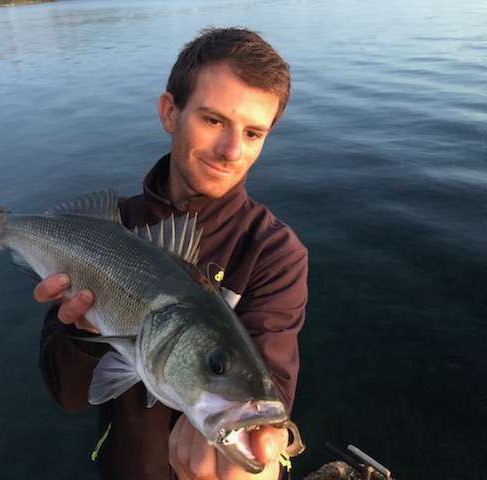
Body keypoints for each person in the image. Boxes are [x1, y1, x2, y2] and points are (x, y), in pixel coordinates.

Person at [35, 27, 308, 480]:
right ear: (169, 112)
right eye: (214, 120)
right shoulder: (106, 231)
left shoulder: (275, 253)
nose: (232, 151)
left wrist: (266, 452)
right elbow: (68, 396)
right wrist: (80, 333)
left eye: (254, 132)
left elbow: (268, 394)